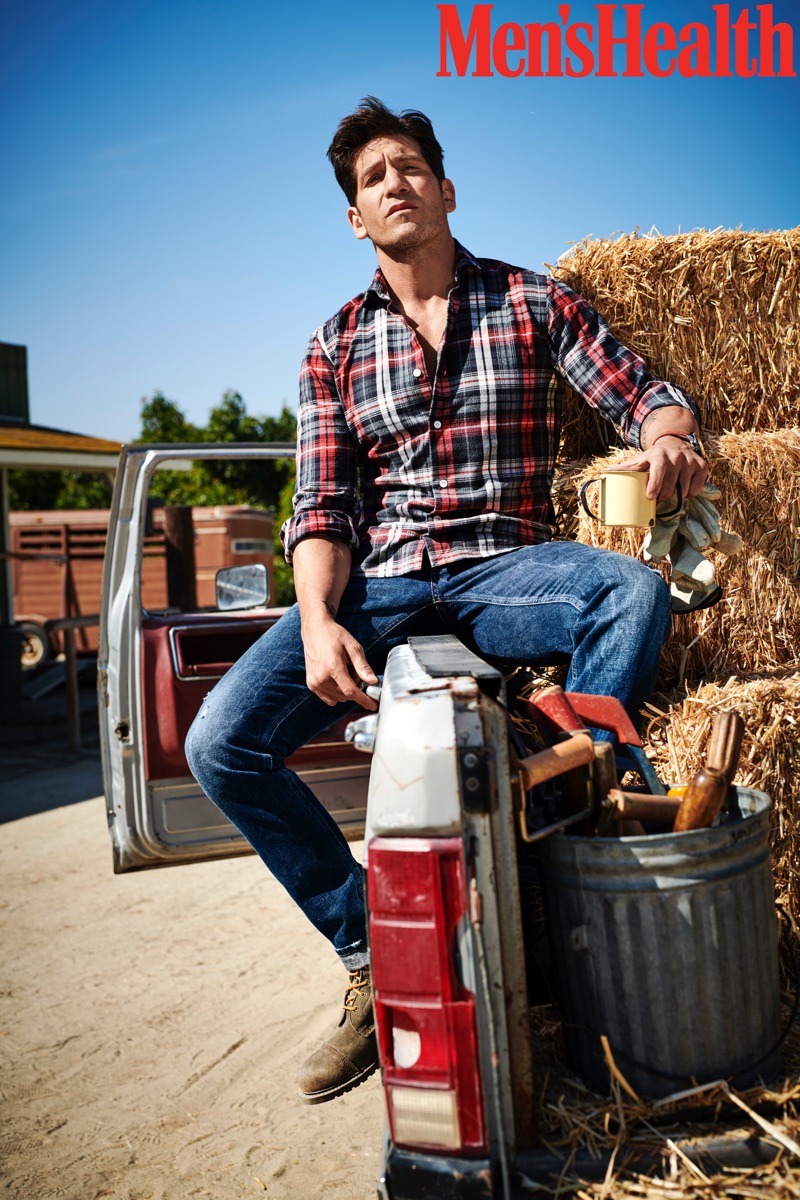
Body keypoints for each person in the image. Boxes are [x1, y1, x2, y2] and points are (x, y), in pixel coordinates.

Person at [185, 97, 708, 1105]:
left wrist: (665, 432)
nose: (392, 181)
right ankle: (368, 953)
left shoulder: (529, 300)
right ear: (354, 218)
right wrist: (323, 618)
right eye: (371, 176)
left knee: (630, 594)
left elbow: (634, 388)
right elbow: (321, 505)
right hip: (381, 585)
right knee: (219, 743)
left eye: (408, 165)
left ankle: (555, 895)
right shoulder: (331, 343)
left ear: (444, 188)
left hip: (500, 570)